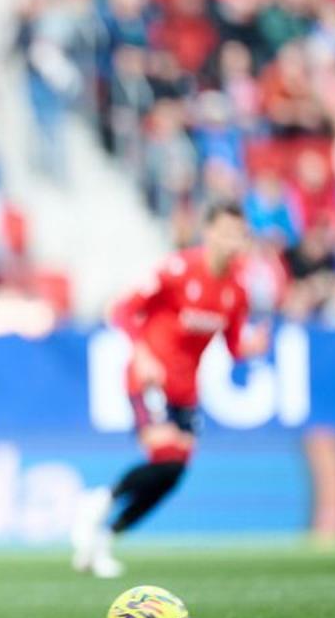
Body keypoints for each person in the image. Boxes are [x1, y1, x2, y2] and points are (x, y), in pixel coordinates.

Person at [71, 201, 270, 577]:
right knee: (165, 457)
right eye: (226, 232)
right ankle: (99, 500)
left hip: (186, 389)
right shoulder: (178, 269)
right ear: (208, 232)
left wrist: (250, 347)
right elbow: (122, 310)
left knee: (174, 474)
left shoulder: (237, 289)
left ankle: (105, 537)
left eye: (239, 235)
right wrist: (142, 354)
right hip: (150, 376)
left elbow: (231, 344)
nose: (232, 241)